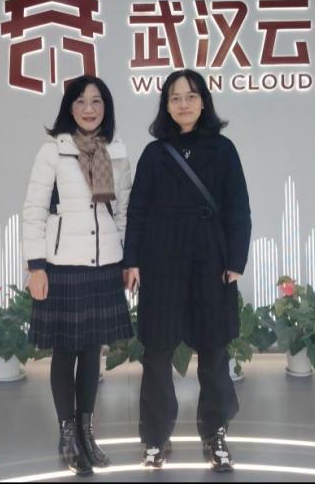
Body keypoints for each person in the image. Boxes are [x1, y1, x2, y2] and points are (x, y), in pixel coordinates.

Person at [123, 69, 251, 473]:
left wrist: (235, 261)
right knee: (157, 355)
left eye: (191, 96)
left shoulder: (224, 150)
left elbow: (239, 208)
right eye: (175, 97)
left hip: (210, 262)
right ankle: (155, 438)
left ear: (203, 102)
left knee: (214, 353)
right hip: (161, 263)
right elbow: (137, 211)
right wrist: (132, 261)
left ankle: (215, 434)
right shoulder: (154, 153)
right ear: (166, 105)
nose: (183, 104)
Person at [22, 75, 134, 476]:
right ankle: (67, 433)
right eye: (81, 101)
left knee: (91, 352)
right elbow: (34, 209)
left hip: (104, 266)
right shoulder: (53, 151)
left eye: (97, 101)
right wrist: (36, 266)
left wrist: (126, 260)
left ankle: (87, 433)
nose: (89, 109)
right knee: (65, 352)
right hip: (63, 264)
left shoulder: (116, 151)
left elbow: (123, 211)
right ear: (69, 107)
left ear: (107, 108)